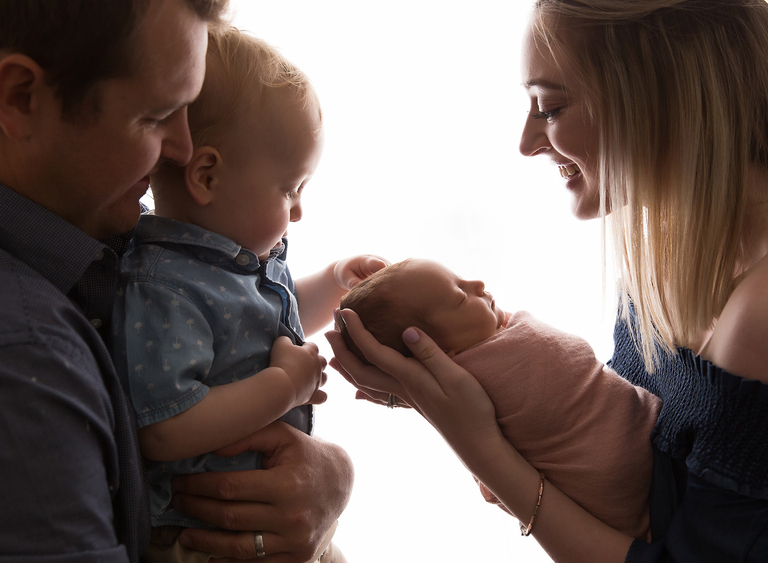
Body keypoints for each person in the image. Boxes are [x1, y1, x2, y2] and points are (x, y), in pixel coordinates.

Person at [327, 1, 768, 562]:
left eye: (550, 107)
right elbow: (616, 433)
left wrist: (480, 448)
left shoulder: (759, 316)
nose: (527, 142)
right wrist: (436, 384)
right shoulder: (667, 245)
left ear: (664, 99)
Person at [0, 2, 354, 562]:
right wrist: (286, 392)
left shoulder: (111, 235)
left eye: (188, 108)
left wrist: (331, 478)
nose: (184, 153)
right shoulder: (29, 356)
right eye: (155, 114)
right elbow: (166, 426)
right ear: (21, 98)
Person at [113, 28, 385, 563]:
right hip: (207, 539)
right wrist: (284, 385)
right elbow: (166, 427)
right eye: (290, 190)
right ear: (208, 175)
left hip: (274, 518)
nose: (299, 212)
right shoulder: (165, 286)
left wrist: (334, 282)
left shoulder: (236, 263)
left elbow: (267, 327)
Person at [337, 258, 661, 539]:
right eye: (460, 297)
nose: (477, 283)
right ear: (438, 353)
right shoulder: (489, 370)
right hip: (638, 479)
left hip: (638, 480)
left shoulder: (464, 391)